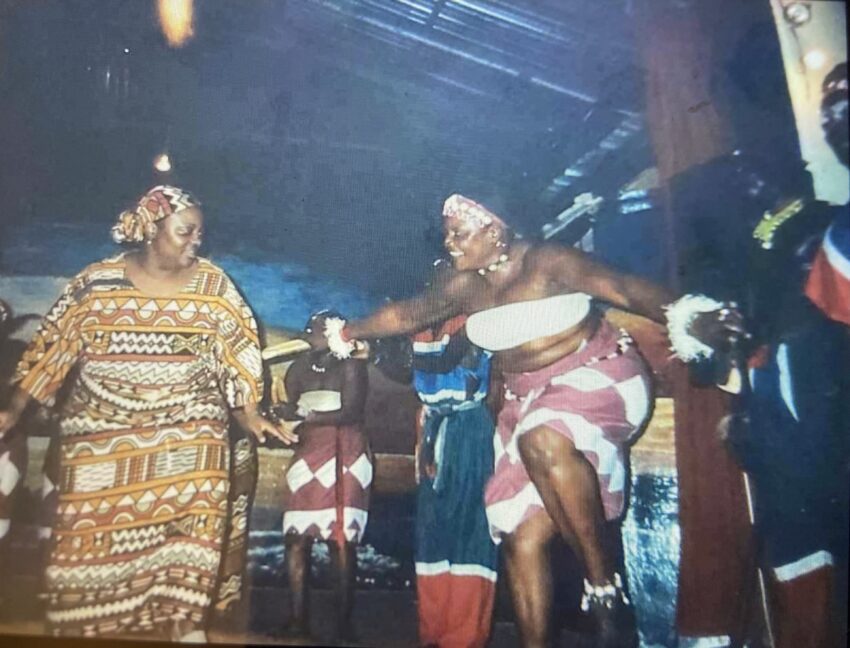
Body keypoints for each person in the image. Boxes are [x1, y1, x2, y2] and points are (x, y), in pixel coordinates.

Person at [304, 193, 741, 648]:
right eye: (448, 234)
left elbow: (625, 288)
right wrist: (344, 332)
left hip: (598, 374)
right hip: (525, 400)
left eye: (459, 234)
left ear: (494, 231)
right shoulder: (465, 286)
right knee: (519, 535)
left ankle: (605, 588)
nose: (450, 244)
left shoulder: (548, 262)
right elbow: (405, 315)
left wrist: (693, 316)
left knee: (542, 440)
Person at [0, 185, 294, 641]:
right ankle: (90, 623)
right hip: (102, 434)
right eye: (185, 231)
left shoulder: (214, 286)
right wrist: (15, 409)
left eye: (199, 233)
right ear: (151, 229)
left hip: (191, 431)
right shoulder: (96, 283)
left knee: (193, 532)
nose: (196, 241)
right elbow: (51, 349)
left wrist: (249, 413)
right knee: (88, 545)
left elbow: (239, 355)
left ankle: (184, 622)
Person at [277, 311, 371, 641]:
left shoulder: (351, 365)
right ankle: (297, 620)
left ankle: (343, 626)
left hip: (344, 453)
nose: (310, 333)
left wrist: (306, 417)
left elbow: (351, 411)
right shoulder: (297, 368)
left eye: (317, 329)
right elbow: (292, 409)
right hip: (308, 452)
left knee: (340, 540)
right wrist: (280, 417)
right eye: (308, 328)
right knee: (295, 536)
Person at [410, 306, 498, 648]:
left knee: (470, 528)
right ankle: (432, 630)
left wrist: (373, 340)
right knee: (431, 530)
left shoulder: (475, 321)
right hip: (433, 428)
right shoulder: (422, 325)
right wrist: (375, 353)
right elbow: (409, 374)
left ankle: (464, 636)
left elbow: (444, 362)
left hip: (468, 430)